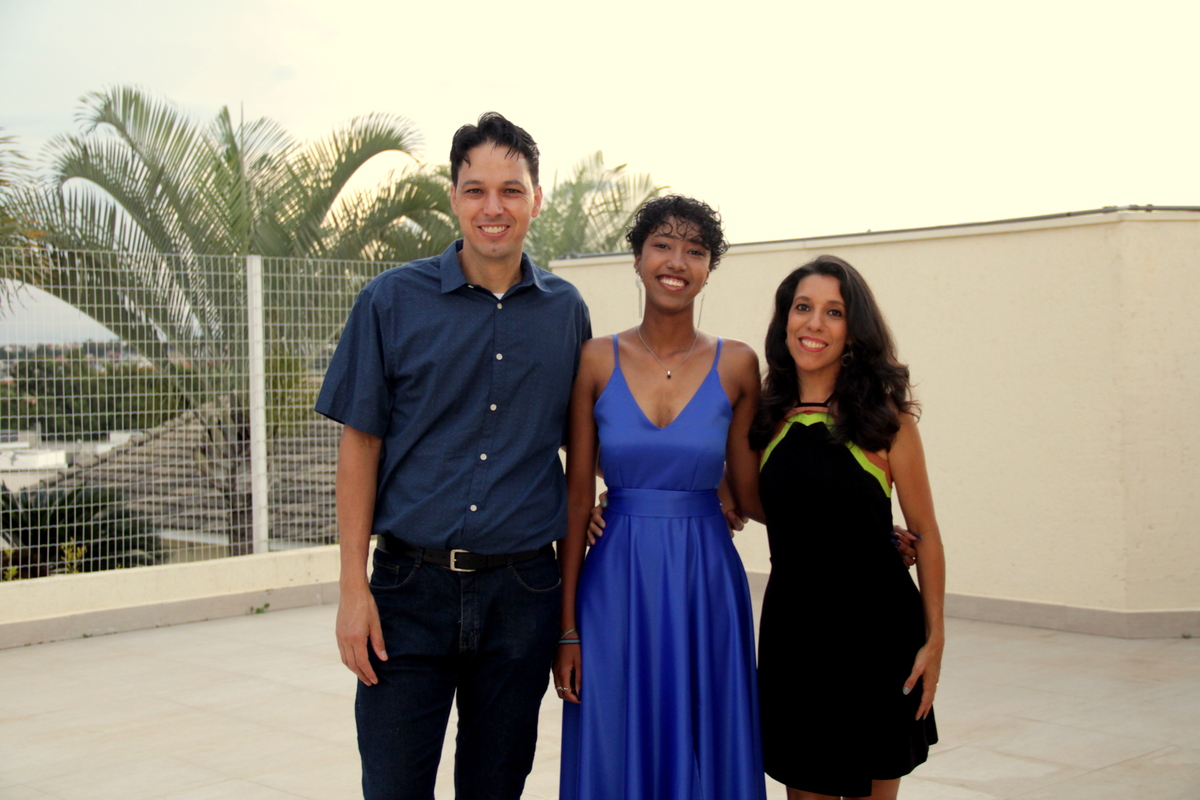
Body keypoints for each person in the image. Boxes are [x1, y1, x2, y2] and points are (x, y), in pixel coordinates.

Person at [315, 112, 591, 800]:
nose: (494, 207)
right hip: (408, 592)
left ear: (536, 198)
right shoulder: (389, 301)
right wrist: (353, 590)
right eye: (476, 190)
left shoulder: (566, 312)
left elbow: (580, 447)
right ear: (454, 198)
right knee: (393, 787)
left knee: (495, 789)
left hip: (523, 596)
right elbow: (360, 446)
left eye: (511, 190)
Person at [554, 196, 768, 800]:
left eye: (695, 251)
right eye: (663, 245)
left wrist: (863, 529)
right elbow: (576, 502)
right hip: (615, 581)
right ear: (638, 257)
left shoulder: (738, 364)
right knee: (614, 738)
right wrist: (566, 630)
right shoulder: (595, 359)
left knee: (707, 736)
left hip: (706, 582)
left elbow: (754, 495)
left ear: (708, 270)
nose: (677, 261)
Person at [750, 255, 945, 800]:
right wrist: (611, 499)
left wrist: (935, 640)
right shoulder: (762, 418)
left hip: (877, 639)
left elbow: (927, 534)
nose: (814, 323)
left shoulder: (886, 420)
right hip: (794, 640)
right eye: (803, 307)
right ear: (785, 319)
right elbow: (739, 500)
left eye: (833, 312)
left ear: (853, 330)